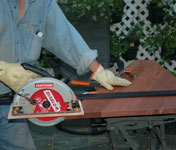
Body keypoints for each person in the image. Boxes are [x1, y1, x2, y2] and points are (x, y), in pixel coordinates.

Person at [0, 0, 131, 149]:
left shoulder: (42, 4)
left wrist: (98, 70)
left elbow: (65, 36)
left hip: (10, 102)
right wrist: (3, 70)